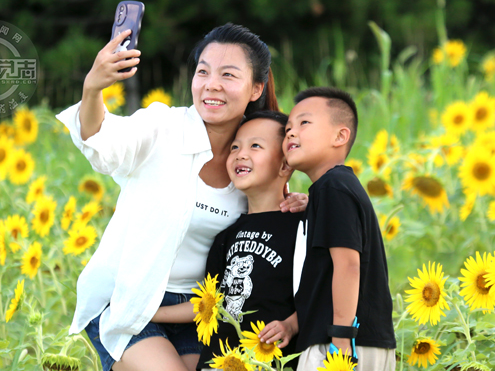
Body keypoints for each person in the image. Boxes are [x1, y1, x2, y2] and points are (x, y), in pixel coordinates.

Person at [55, 23, 306, 371]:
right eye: (203, 72)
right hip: (126, 300)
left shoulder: (251, 161)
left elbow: (272, 210)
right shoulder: (162, 127)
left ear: (256, 88)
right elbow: (101, 141)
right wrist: (93, 88)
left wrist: (305, 203)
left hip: (196, 311)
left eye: (228, 75)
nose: (211, 84)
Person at [152, 111, 301, 371]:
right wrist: (151, 314)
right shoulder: (225, 236)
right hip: (221, 362)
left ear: (285, 165)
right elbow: (209, 302)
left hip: (270, 359)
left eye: (255, 146)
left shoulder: (302, 225)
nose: (241, 154)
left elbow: (322, 292)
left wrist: (292, 324)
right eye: (235, 147)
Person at [283, 87, 397, 370]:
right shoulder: (332, 190)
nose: (290, 133)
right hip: (357, 341)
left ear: (340, 136)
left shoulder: (334, 188)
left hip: (341, 347)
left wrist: (342, 339)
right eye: (287, 128)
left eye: (304, 123)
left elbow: (348, 266)